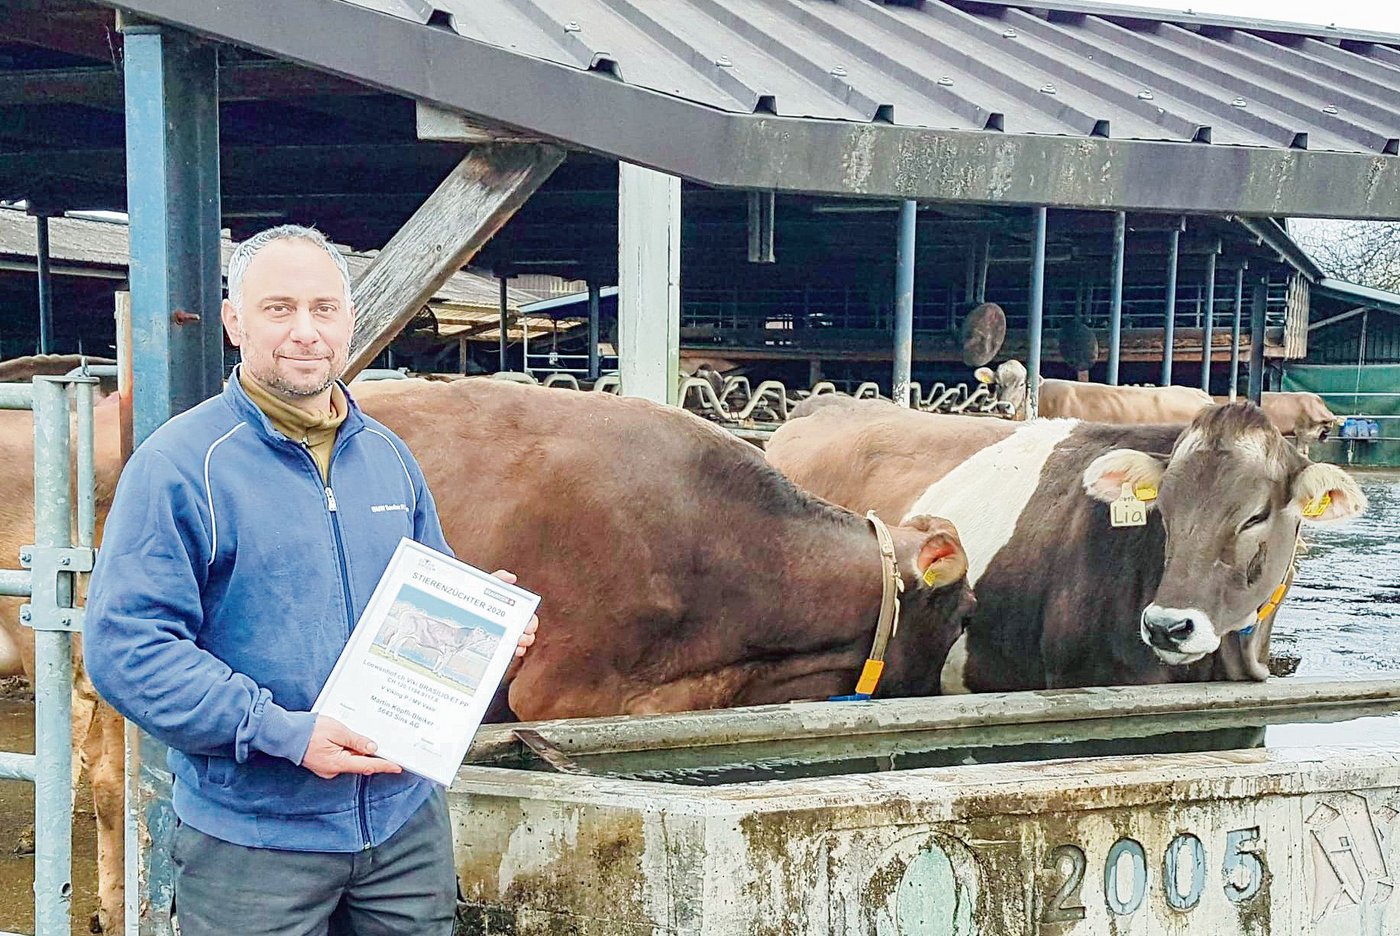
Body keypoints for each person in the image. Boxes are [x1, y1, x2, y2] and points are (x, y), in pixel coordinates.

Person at [84, 224, 538, 935]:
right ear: (235, 322)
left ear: (350, 321)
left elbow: (424, 615)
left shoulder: (387, 456)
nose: (306, 332)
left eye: (324, 309)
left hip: (400, 827)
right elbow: (127, 651)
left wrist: (488, 635)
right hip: (256, 842)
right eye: (279, 308)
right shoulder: (181, 465)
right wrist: (282, 732)